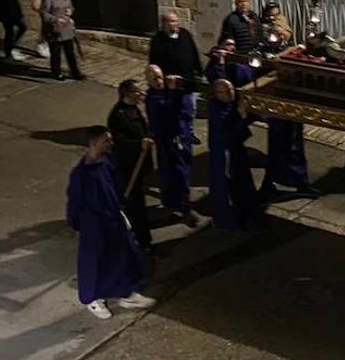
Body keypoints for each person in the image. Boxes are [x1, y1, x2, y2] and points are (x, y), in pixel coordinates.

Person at [66, 125, 156, 320]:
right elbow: (74, 202)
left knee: (125, 254)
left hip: (113, 218)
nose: (111, 143)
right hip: (94, 225)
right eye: (107, 140)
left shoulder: (106, 161)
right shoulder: (81, 175)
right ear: (94, 143)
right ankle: (92, 298)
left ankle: (126, 292)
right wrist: (76, 223)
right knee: (93, 261)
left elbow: (115, 185)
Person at [145, 65, 198, 228]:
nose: (159, 81)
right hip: (169, 140)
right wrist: (174, 92)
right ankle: (183, 206)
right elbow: (167, 111)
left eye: (160, 77)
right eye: (154, 79)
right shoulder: (153, 98)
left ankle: (173, 201)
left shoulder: (167, 92)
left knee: (180, 170)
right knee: (177, 172)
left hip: (181, 136)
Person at [206, 78, 259, 229]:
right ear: (217, 94)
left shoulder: (230, 103)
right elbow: (230, 134)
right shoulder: (217, 111)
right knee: (230, 187)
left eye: (231, 90)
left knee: (242, 182)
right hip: (225, 153)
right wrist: (242, 116)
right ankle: (232, 221)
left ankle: (247, 213)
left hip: (235, 150)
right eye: (225, 92)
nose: (230, 94)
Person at [107, 79, 155, 250]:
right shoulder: (118, 116)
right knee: (135, 205)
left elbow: (143, 128)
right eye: (137, 91)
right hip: (127, 167)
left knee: (136, 202)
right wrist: (139, 144)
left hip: (138, 164)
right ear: (127, 94)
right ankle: (142, 242)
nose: (140, 94)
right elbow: (120, 143)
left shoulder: (134, 109)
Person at [41, 0, 83, 81]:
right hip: (54, 29)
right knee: (56, 53)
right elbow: (44, 13)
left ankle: (75, 72)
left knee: (70, 52)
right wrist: (55, 20)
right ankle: (56, 72)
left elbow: (70, 6)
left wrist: (71, 11)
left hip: (67, 28)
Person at [148, 12, 202, 88]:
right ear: (165, 23)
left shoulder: (185, 33)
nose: (177, 24)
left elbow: (194, 51)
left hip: (187, 78)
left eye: (177, 21)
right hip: (170, 81)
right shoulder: (158, 40)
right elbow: (154, 61)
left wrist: (199, 70)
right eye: (173, 21)